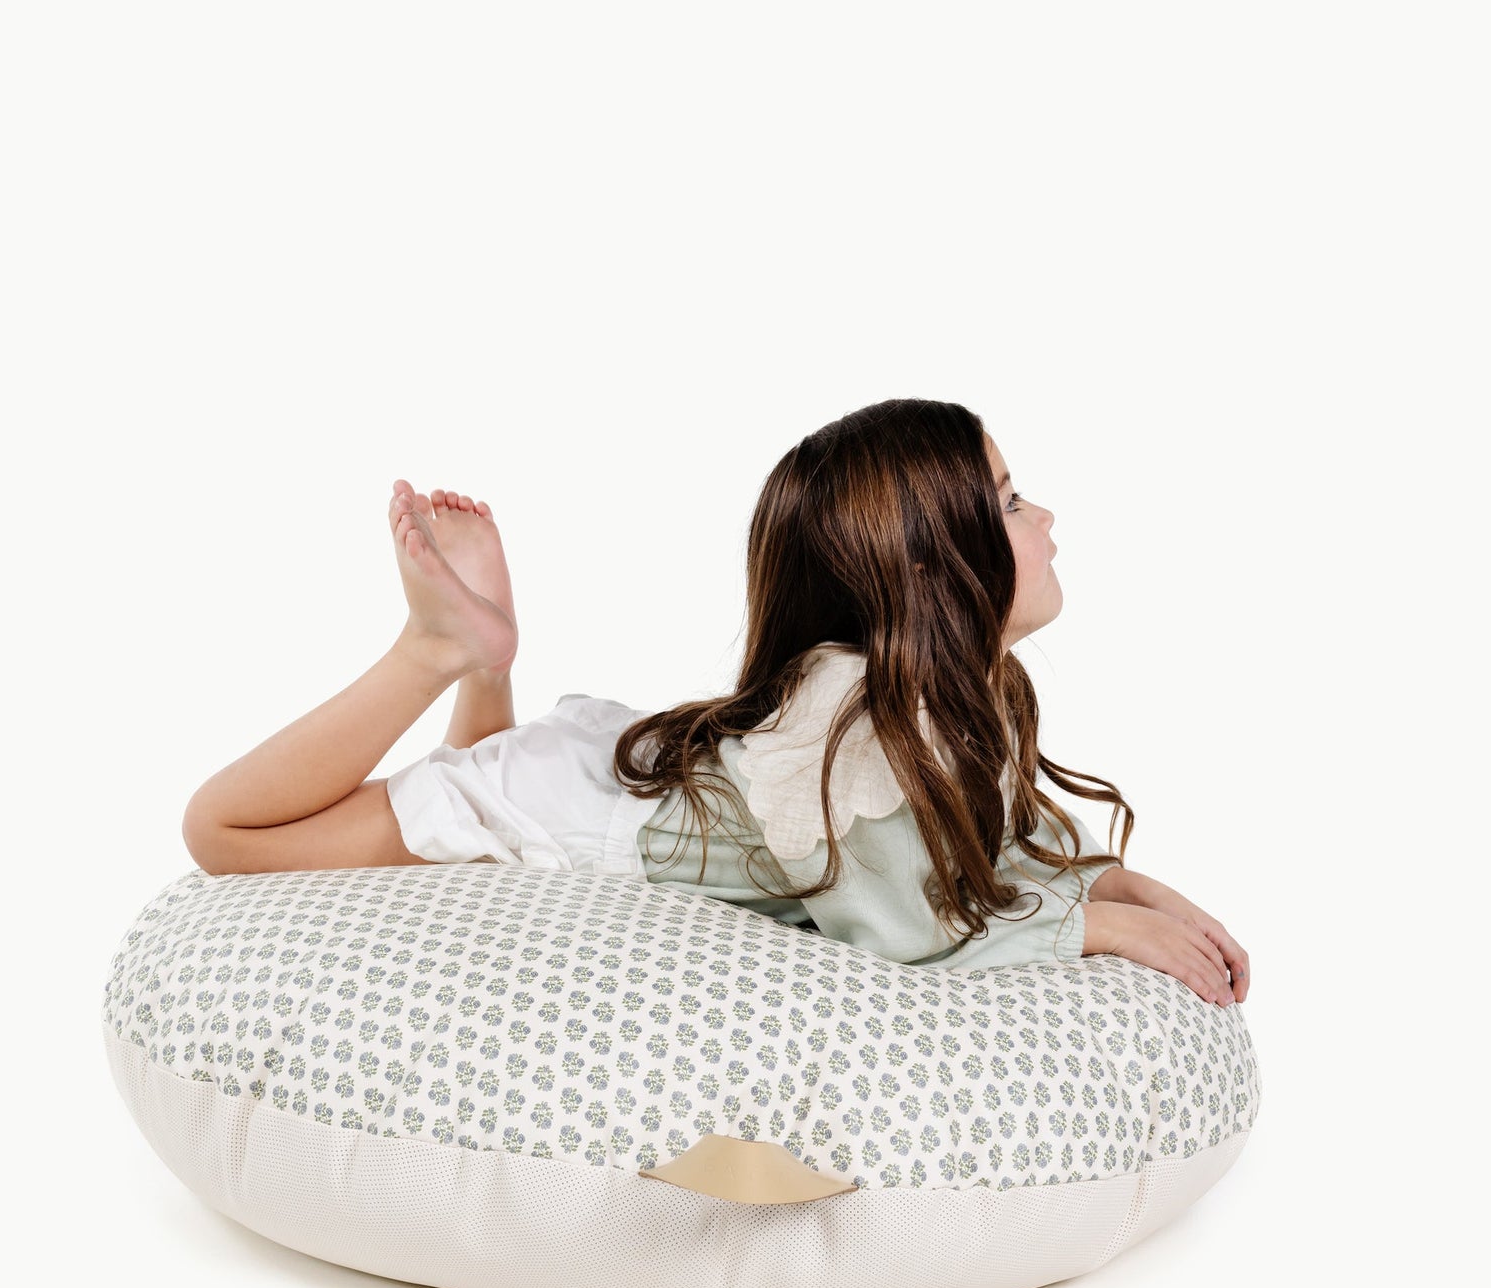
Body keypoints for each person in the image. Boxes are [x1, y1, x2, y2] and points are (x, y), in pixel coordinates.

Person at [181, 398, 1249, 1010]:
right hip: (573, 811)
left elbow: (980, 845)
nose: (1048, 516)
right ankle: (437, 650)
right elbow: (896, 931)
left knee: (466, 807)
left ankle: (484, 665)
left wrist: (1119, 882)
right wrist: (1091, 928)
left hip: (596, 784)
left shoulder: (955, 693)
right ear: (933, 569)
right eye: (1012, 500)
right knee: (222, 830)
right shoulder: (852, 721)